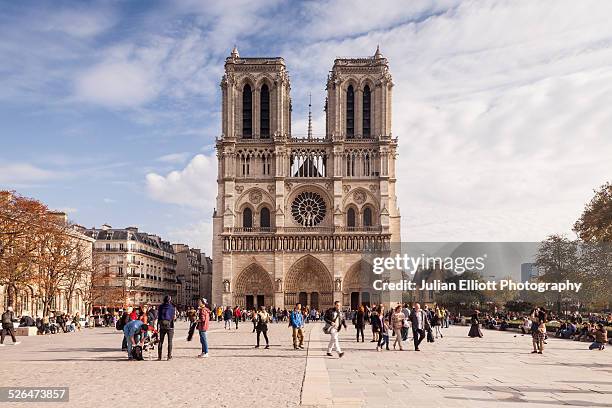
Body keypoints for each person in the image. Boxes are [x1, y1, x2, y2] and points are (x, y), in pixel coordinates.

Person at [157, 295, 176, 361]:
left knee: (160, 341)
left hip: (162, 325)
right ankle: (169, 356)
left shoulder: (160, 307)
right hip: (170, 326)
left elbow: (158, 317)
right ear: (170, 300)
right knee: (169, 342)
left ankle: (159, 356)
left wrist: (158, 326)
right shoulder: (172, 307)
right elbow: (173, 317)